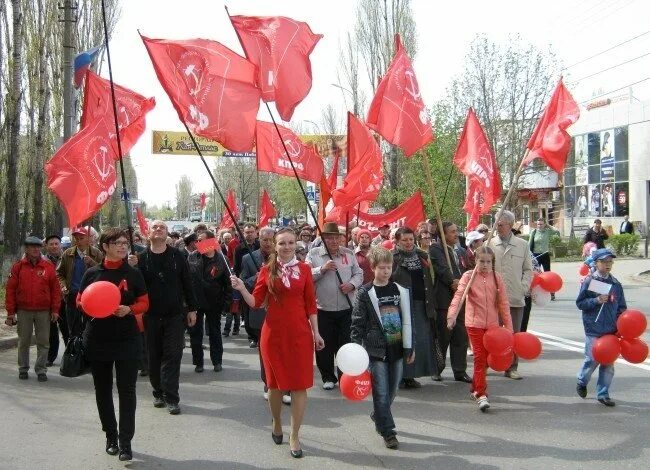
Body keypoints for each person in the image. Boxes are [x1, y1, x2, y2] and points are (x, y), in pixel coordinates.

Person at [230, 228, 325, 459]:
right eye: (282, 243)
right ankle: (276, 422)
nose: (287, 247)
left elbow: (311, 304)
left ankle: (295, 435)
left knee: (300, 385)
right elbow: (256, 303)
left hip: (300, 335)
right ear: (275, 245)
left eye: (291, 242)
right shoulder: (266, 270)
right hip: (273, 335)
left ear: (296, 244)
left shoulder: (304, 269)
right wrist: (242, 288)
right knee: (275, 386)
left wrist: (317, 333)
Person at [79, 228, 149, 461]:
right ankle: (110, 436)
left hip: (127, 338)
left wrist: (129, 309)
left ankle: (126, 441)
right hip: (98, 339)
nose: (122, 246)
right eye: (116, 243)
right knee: (103, 390)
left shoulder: (133, 273)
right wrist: (93, 307)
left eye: (124, 243)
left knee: (127, 391)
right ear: (105, 246)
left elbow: (144, 302)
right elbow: (80, 300)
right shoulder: (92, 273)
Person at [129, 220, 197, 415]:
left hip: (175, 315)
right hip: (150, 316)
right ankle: (158, 391)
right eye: (154, 227)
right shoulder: (139, 259)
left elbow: (187, 283)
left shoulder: (178, 256)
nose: (158, 230)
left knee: (173, 355)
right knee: (153, 356)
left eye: (162, 228)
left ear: (167, 234)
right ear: (147, 233)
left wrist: (192, 309)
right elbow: (132, 290)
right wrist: (131, 268)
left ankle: (172, 397)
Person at [351, 247, 414, 449]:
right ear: (373, 268)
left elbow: (408, 321)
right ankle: (388, 432)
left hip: (396, 347)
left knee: (393, 389)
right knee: (381, 392)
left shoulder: (399, 290)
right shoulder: (365, 292)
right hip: (376, 349)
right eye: (382, 268)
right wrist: (355, 350)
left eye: (389, 267)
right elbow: (357, 322)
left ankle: (378, 413)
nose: (386, 271)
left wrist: (409, 347)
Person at [447, 246, 513, 412]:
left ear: (492, 262)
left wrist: (508, 328)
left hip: (492, 326)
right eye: (481, 261)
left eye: (488, 261)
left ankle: (474, 389)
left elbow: (503, 304)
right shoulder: (468, 276)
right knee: (480, 358)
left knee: (487, 360)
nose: (484, 264)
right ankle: (482, 394)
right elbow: (458, 297)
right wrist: (451, 316)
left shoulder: (497, 278)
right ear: (475, 261)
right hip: (474, 324)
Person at [307, 222, 363, 390]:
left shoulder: (348, 253)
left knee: (345, 343)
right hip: (323, 308)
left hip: (346, 308)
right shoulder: (313, 254)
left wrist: (352, 285)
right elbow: (306, 276)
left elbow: (359, 273)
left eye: (335, 237)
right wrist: (321, 269)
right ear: (322, 238)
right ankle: (327, 377)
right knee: (324, 344)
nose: (332, 241)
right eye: (329, 237)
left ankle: (344, 375)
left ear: (340, 239)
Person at [5, 236, 61, 382]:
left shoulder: (48, 267)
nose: (36, 249)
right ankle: (23, 368)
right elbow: (10, 290)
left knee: (43, 341)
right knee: (24, 341)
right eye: (32, 247)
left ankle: (41, 369)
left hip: (44, 311)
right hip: (24, 311)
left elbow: (56, 290)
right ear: (26, 249)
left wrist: (55, 309)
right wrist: (11, 313)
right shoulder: (18, 267)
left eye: (38, 247)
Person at [575, 248, 627, 407]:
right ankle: (582, 381)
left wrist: (621, 324)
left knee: (608, 364)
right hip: (594, 329)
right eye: (604, 261)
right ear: (596, 263)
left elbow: (622, 307)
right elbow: (580, 303)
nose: (608, 264)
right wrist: (596, 300)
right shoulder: (590, 281)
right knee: (592, 359)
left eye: (610, 261)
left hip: (611, 331)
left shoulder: (616, 284)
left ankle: (603, 394)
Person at [488, 210, 532, 380]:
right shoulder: (490, 243)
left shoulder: (522, 244)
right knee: (491, 333)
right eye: (496, 224)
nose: (498, 227)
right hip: (493, 298)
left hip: (515, 296)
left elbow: (528, 269)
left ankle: (511, 367)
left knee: (513, 334)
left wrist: (524, 286)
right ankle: (487, 364)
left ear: (511, 225)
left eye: (501, 224)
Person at [391, 227, 437, 388]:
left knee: (419, 340)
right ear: (397, 241)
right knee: (403, 340)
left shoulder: (422, 255)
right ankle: (400, 376)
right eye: (404, 240)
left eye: (411, 239)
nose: (409, 243)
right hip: (400, 305)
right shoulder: (392, 258)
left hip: (421, 303)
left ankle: (411, 375)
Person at [429, 222, 470, 383]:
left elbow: (466, 268)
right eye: (452, 232)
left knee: (461, 336)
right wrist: (452, 281)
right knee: (443, 336)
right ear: (443, 234)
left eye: (456, 231)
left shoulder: (460, 250)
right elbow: (441, 268)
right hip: (444, 300)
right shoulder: (436, 248)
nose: (455, 233)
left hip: (460, 299)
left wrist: (464, 282)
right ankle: (437, 368)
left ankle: (460, 371)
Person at [188, 230, 232, 373]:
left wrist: (226, 303)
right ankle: (198, 362)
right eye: (197, 241)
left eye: (201, 240)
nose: (197, 243)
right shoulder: (192, 257)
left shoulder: (221, 259)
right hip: (196, 301)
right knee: (196, 333)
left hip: (215, 302)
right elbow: (187, 280)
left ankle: (217, 361)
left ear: (210, 241)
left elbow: (228, 283)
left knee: (214, 332)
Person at [56, 227, 103, 338]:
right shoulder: (68, 254)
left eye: (81, 238)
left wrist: (92, 262)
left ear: (88, 239)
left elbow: (104, 271)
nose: (78, 240)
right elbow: (59, 273)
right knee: (73, 329)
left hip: (91, 297)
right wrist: (63, 286)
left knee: (90, 328)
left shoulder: (96, 253)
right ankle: (74, 352)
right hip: (72, 296)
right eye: (76, 238)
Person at [43, 234, 69, 366]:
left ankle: (70, 355)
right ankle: (50, 356)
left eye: (56, 244)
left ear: (61, 245)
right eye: (51, 244)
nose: (54, 246)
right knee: (51, 330)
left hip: (65, 299)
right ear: (46, 246)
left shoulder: (68, 258)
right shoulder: (42, 261)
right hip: (48, 301)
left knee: (67, 328)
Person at [528, 219, 560, 300]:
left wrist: (548, 225)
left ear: (544, 225)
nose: (539, 226)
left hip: (545, 255)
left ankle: (551, 292)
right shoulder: (534, 232)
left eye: (541, 224)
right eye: (538, 224)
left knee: (547, 273)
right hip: (536, 255)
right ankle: (534, 293)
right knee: (535, 274)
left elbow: (557, 231)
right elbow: (529, 245)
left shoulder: (547, 231)